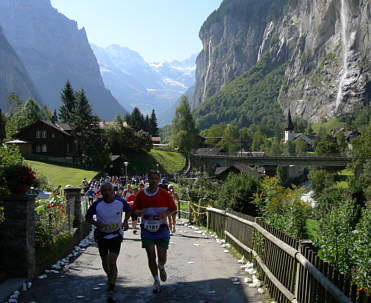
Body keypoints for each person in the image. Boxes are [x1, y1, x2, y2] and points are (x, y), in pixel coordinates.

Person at [130, 171, 177, 293]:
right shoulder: (141, 195)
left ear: (159, 180)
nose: (153, 181)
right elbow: (134, 210)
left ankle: (161, 267)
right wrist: (141, 214)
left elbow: (173, 208)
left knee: (162, 256)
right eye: (151, 178)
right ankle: (156, 281)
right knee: (151, 256)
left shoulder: (164, 194)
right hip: (146, 229)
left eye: (156, 179)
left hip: (162, 228)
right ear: (147, 180)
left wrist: (165, 214)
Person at [85, 183, 131, 302]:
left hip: (116, 234)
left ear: (113, 191)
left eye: (109, 190)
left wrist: (125, 221)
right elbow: (88, 217)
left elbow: (129, 210)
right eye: (104, 190)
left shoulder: (120, 202)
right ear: (101, 192)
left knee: (112, 260)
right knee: (105, 263)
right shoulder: (97, 204)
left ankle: (111, 285)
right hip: (102, 236)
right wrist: (96, 224)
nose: (106, 192)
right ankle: (110, 277)